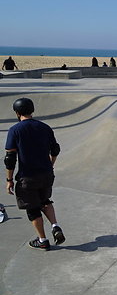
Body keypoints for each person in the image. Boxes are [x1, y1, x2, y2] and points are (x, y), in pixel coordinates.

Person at [5, 98, 65, 250]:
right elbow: (55, 150)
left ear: (17, 113)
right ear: (32, 111)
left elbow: (10, 159)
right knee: (45, 201)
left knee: (32, 209)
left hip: (28, 177)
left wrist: (9, 179)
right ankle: (55, 225)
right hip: (46, 175)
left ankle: (42, 240)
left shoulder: (15, 130)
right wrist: (50, 165)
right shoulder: (45, 127)